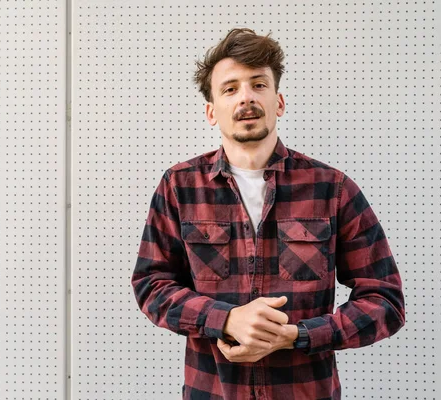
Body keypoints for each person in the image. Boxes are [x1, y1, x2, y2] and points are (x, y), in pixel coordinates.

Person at [130, 27, 405, 400]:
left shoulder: (333, 188)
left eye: (258, 85)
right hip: (212, 392)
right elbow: (152, 284)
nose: (246, 97)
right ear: (212, 112)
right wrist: (225, 319)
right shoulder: (179, 186)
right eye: (230, 88)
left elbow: (385, 301)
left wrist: (297, 336)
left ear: (278, 102)